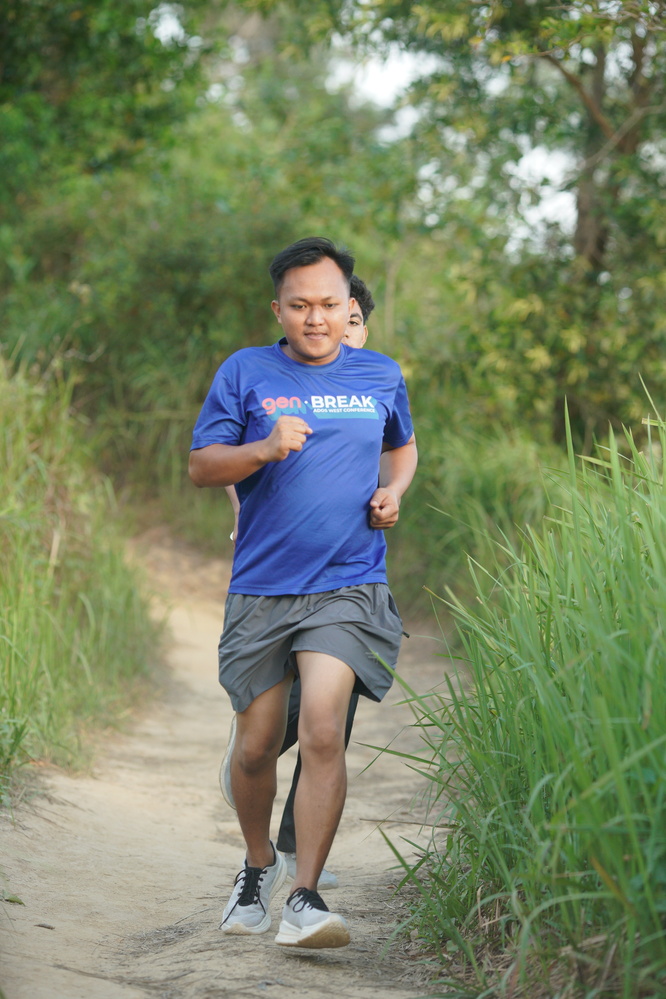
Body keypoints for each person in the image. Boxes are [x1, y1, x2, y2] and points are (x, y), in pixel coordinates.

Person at [189, 236, 417, 950]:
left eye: (328, 304)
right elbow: (202, 465)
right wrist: (262, 448)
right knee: (257, 747)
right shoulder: (245, 371)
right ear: (278, 309)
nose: (315, 317)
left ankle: (306, 897)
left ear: (350, 307)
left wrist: (394, 491)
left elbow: (402, 445)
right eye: (299, 305)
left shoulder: (380, 373)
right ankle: (259, 863)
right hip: (264, 587)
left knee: (322, 727)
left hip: (349, 581)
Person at [218, 275, 377, 892]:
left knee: (330, 717)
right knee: (275, 719)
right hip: (273, 574)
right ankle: (249, 763)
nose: (342, 329)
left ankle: (297, 850)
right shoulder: (272, 377)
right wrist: (244, 513)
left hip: (349, 576)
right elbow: (236, 459)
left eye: (352, 319)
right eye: (318, 310)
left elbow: (388, 459)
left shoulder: (373, 385)